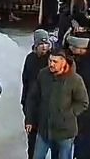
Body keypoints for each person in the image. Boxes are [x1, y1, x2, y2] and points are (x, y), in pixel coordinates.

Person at [25, 51, 90, 159]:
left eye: (55, 61)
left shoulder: (75, 79)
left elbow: (83, 102)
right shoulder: (43, 74)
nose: (51, 64)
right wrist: (30, 120)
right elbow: (33, 98)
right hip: (44, 129)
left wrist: (68, 114)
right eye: (50, 61)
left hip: (65, 132)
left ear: (63, 62)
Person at [22, 29, 55, 158]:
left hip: (47, 106)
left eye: (46, 44)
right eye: (41, 44)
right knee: (32, 142)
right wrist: (24, 104)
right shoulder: (30, 59)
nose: (44, 47)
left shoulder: (52, 59)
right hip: (32, 106)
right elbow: (25, 82)